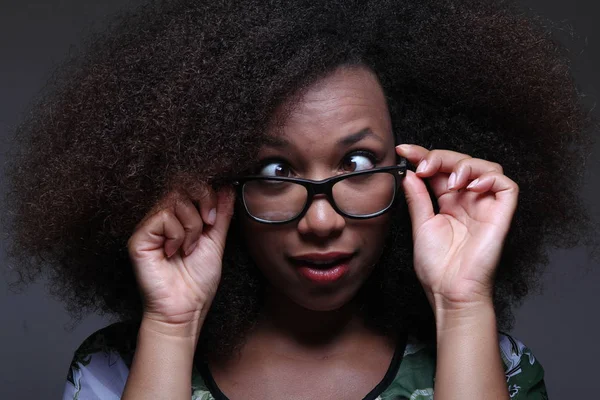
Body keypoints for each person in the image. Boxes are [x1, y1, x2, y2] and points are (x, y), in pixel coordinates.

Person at [4, 0, 597, 398]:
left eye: (359, 163)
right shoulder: (118, 371)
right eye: (274, 169)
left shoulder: (495, 369)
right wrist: (172, 326)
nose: (320, 220)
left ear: (411, 170)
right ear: (213, 180)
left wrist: (463, 305)